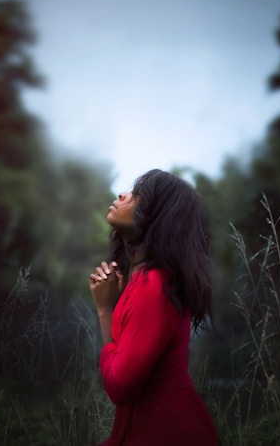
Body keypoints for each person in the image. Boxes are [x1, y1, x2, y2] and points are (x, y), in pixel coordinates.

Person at [90, 169, 218, 445]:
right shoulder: (146, 282)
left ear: (158, 217)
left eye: (137, 196)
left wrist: (104, 310)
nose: (122, 194)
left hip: (168, 433)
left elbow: (119, 387)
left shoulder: (154, 287)